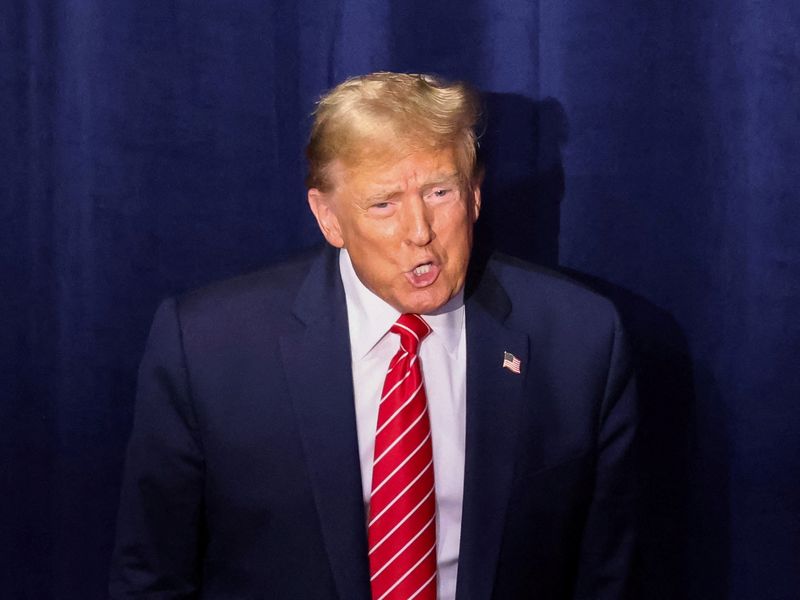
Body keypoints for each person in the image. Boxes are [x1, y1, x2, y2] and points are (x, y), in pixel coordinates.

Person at [110, 72, 637, 599]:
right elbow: (151, 580)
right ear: (329, 218)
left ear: (475, 195)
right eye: (384, 203)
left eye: (440, 191)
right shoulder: (207, 349)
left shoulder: (581, 342)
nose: (420, 232)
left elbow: (608, 577)